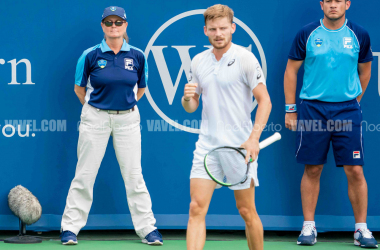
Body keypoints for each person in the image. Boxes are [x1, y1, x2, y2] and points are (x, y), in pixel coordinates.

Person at [59, 6, 163, 246]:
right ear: (102, 26)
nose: (113, 26)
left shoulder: (137, 55)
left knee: (134, 175)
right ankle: (70, 228)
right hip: (95, 118)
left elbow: (142, 88)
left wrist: (125, 105)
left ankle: (148, 229)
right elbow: (79, 88)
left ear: (125, 25)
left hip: (128, 119)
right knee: (84, 174)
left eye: (118, 22)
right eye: (109, 22)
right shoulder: (90, 55)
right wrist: (98, 108)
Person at [284, 0, 377, 248]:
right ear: (322, 4)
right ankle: (308, 226)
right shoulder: (307, 33)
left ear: (347, 4)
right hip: (313, 109)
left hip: (347, 111)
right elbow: (291, 70)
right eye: (329, 1)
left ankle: (361, 229)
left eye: (338, 1)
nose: (333, 5)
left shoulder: (359, 34)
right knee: (312, 168)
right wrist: (290, 109)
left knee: (355, 170)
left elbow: (365, 71)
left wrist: (353, 101)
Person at [182, 4, 271, 250]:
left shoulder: (245, 58)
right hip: (207, 146)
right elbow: (191, 107)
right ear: (205, 31)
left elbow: (265, 101)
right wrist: (188, 98)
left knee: (246, 210)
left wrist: (253, 139)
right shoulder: (199, 61)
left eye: (223, 28)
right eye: (213, 29)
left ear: (232, 28)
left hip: (239, 148)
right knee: (196, 208)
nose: (218, 33)